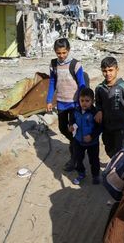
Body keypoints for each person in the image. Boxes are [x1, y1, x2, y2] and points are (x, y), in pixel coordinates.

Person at [46, 38, 86, 171]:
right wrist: (49, 100)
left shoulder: (75, 64)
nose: (61, 56)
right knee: (63, 128)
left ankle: (74, 159)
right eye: (58, 53)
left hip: (74, 104)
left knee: (73, 129)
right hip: (61, 103)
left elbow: (81, 84)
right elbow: (52, 82)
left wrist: (82, 102)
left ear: (68, 51)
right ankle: (76, 143)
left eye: (64, 52)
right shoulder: (53, 64)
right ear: (55, 52)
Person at [95, 56, 124, 158]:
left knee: (121, 151)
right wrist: (99, 111)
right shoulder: (99, 88)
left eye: (110, 70)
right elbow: (98, 103)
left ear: (117, 69)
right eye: (105, 71)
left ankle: (119, 170)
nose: (108, 73)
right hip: (107, 126)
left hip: (121, 126)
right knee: (108, 148)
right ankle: (114, 163)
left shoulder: (123, 87)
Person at [68, 88, 101, 185]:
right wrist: (71, 126)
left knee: (94, 160)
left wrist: (91, 136)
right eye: (82, 100)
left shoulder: (95, 113)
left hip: (93, 143)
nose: (84, 103)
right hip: (78, 141)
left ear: (92, 101)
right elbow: (72, 120)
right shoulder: (76, 111)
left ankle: (95, 176)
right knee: (78, 158)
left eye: (87, 101)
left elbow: (99, 128)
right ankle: (81, 173)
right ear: (79, 100)